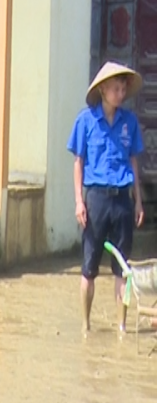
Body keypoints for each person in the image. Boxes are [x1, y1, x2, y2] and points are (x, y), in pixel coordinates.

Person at [69, 61, 145, 334]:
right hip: (96, 200)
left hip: (122, 201)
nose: (121, 93)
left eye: (124, 88)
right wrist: (79, 200)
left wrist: (137, 201)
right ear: (102, 89)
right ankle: (85, 325)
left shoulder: (130, 122)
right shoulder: (86, 120)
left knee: (122, 269)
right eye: (116, 88)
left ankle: (122, 327)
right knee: (89, 268)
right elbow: (78, 163)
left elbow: (133, 162)